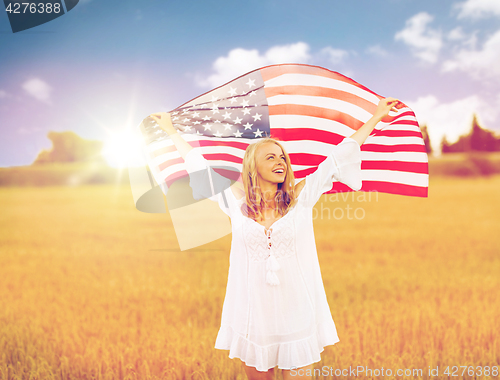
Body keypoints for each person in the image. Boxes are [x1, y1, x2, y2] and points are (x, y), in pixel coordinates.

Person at [150, 97, 400, 380]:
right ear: (252, 166)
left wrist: (377, 116)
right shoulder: (233, 203)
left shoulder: (302, 198)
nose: (280, 161)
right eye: (270, 157)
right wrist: (171, 130)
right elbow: (198, 166)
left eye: (282, 157)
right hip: (253, 317)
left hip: (297, 315)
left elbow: (339, 156)